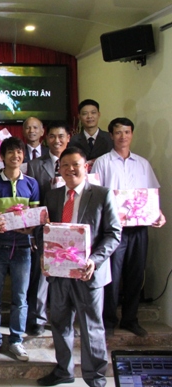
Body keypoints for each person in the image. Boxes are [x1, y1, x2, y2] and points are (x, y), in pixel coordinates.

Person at [37, 147, 122, 387]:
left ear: (86, 167)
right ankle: (63, 371)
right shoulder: (52, 196)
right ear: (60, 169)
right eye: (65, 165)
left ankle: (95, 378)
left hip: (89, 273)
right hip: (59, 273)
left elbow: (114, 234)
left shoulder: (102, 194)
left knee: (91, 327)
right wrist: (44, 256)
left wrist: (95, 260)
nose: (70, 169)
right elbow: (45, 231)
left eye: (75, 164)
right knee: (60, 323)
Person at [91, 117, 166, 337]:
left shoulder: (143, 163)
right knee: (112, 276)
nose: (123, 137)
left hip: (139, 228)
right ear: (111, 135)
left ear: (132, 134)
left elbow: (152, 194)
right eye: (118, 132)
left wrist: (158, 213)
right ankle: (109, 320)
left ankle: (130, 318)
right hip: (114, 229)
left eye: (127, 132)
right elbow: (95, 196)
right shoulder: (102, 162)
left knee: (135, 274)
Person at [0, 137, 39, 362]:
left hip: (23, 248)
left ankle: (16, 340)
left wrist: (30, 228)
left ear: (23, 156)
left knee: (20, 297)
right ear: (2, 157)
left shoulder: (32, 184)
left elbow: (35, 217)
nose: (15, 156)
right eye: (10, 153)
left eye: (19, 152)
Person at [25, 121, 71, 336]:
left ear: (68, 138)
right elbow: (32, 198)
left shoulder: (75, 162)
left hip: (71, 227)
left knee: (69, 276)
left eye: (61, 136)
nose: (56, 140)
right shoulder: (35, 165)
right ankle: (38, 318)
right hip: (45, 226)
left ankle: (67, 319)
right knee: (41, 274)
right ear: (46, 139)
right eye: (52, 136)